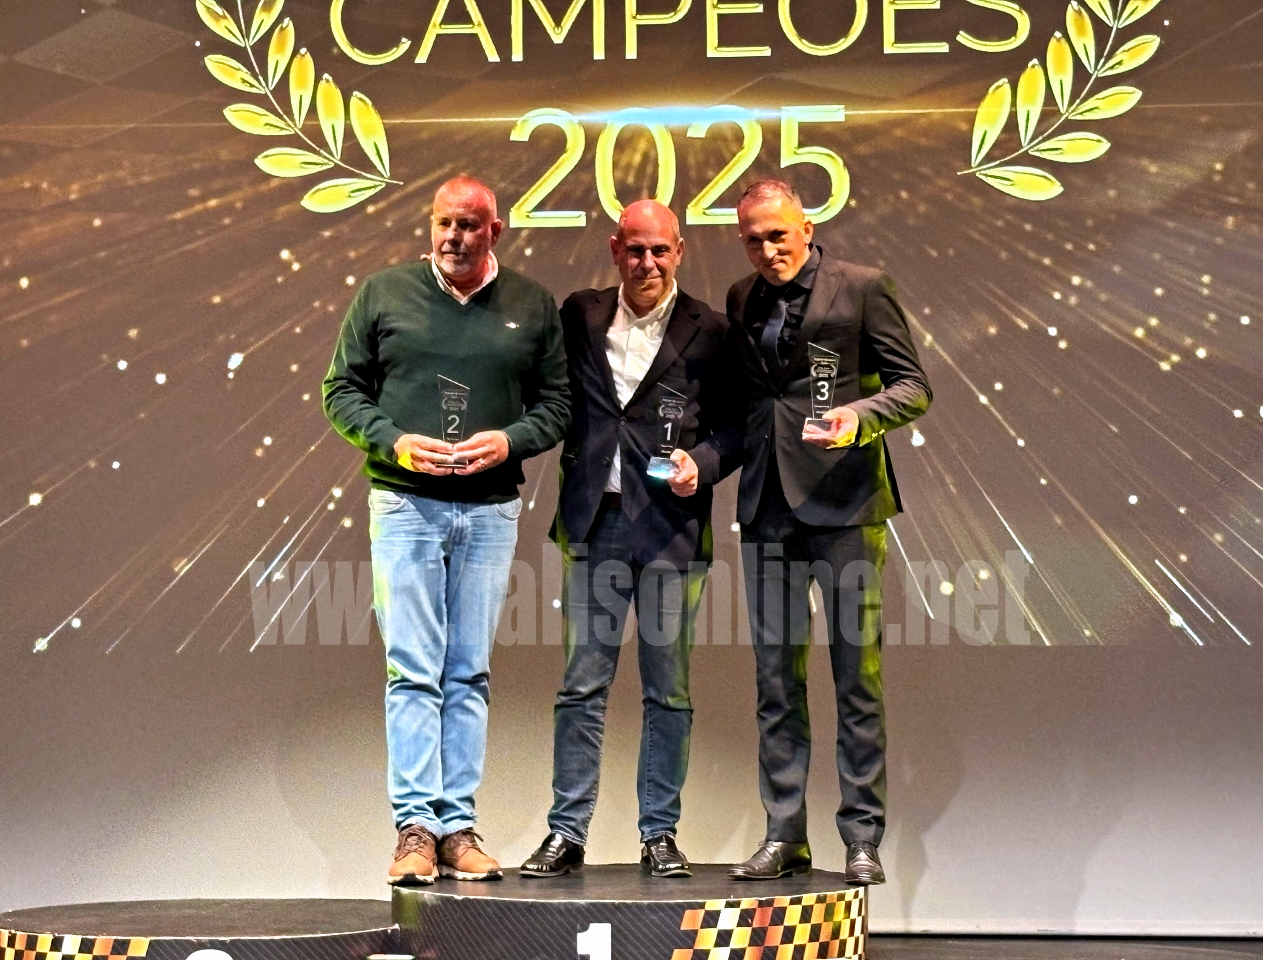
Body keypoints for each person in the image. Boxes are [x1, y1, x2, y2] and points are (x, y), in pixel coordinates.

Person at [322, 176, 571, 885]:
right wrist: (394, 442)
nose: (454, 237)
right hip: (405, 503)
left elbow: (558, 404)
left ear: (495, 230)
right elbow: (341, 390)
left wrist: (512, 440)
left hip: (490, 509)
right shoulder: (383, 293)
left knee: (468, 671)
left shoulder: (531, 303)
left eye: (468, 225)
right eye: (443, 224)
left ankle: (457, 827)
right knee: (412, 670)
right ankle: (414, 831)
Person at [520, 200, 742, 879]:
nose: (648, 263)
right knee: (581, 687)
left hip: (673, 529)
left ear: (680, 252)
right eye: (636, 249)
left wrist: (702, 464)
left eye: (660, 251)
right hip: (596, 522)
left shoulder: (712, 331)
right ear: (616, 249)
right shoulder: (580, 314)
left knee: (667, 690)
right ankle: (566, 833)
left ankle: (660, 834)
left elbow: (736, 428)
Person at [723, 180, 931, 886]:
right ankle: (784, 834)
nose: (767, 250)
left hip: (846, 507)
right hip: (767, 508)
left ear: (806, 228)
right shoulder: (741, 298)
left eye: (777, 235)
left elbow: (913, 386)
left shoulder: (863, 286)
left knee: (855, 677)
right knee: (775, 682)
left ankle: (862, 836)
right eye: (753, 239)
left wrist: (858, 417)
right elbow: (755, 405)